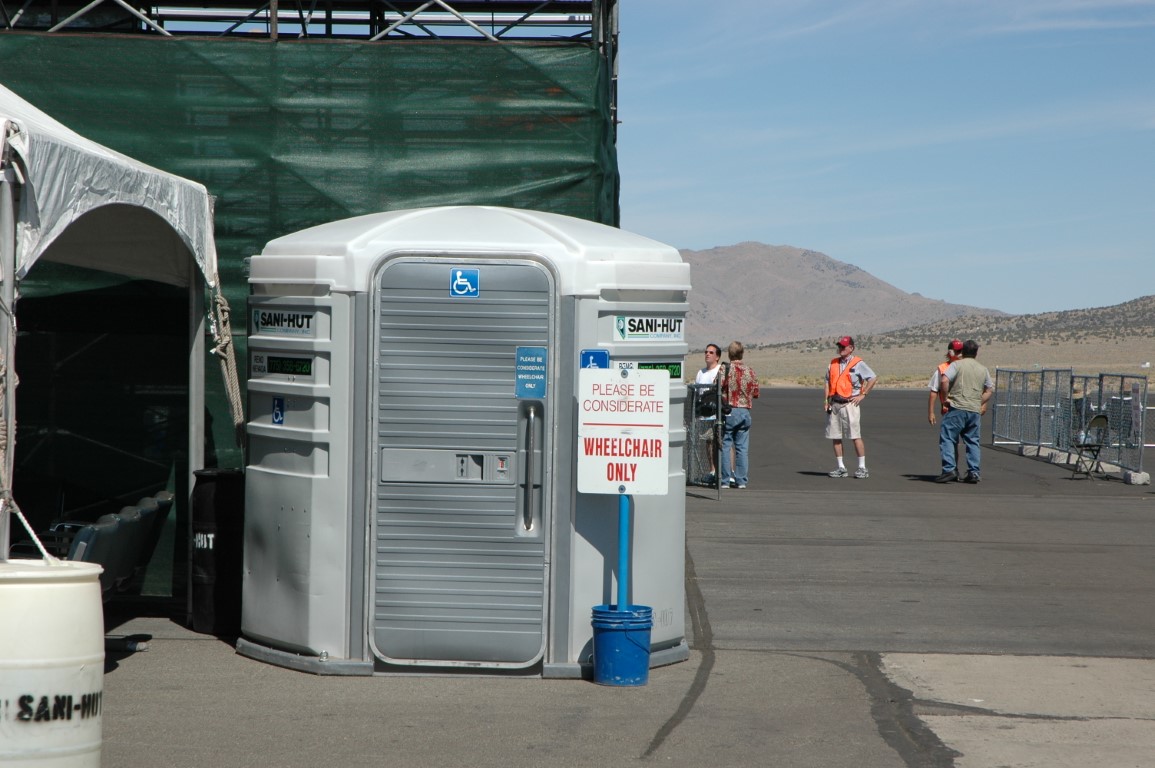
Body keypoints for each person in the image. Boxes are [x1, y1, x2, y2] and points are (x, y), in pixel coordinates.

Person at [935, 339, 994, 484]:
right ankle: (974, 472)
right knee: (973, 441)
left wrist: (945, 398)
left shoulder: (956, 365)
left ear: (962, 351)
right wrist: (978, 401)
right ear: (976, 353)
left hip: (957, 407)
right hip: (974, 411)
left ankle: (949, 469)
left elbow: (944, 381)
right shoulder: (983, 369)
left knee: (948, 438)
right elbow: (989, 389)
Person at [824, 336, 877, 479]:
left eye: (844, 346)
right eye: (840, 346)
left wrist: (863, 394)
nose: (841, 349)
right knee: (835, 436)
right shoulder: (833, 363)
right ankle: (841, 467)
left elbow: (872, 378)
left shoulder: (858, 363)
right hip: (835, 403)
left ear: (851, 348)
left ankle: (862, 467)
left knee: (855, 435)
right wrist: (826, 400)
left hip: (850, 404)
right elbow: (828, 382)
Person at [718, 341, 760, 489]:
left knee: (725, 444)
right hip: (745, 412)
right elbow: (756, 393)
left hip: (729, 411)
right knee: (742, 448)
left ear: (729, 354)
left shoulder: (725, 369)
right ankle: (741, 481)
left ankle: (725, 480)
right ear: (742, 353)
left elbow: (716, 386)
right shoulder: (750, 371)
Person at [695, 344, 724, 483]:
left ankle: (725, 472)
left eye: (711, 352)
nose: (707, 354)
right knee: (709, 442)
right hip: (705, 414)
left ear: (717, 356)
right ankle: (712, 471)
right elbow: (697, 393)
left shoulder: (720, 370)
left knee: (723, 442)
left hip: (718, 413)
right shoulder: (701, 373)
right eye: (706, 352)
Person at [927, 339, 964, 426]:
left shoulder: (966, 366)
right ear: (950, 353)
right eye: (958, 351)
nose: (960, 353)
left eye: (961, 351)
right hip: (949, 411)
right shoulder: (942, 369)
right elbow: (934, 391)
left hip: (966, 409)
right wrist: (931, 412)